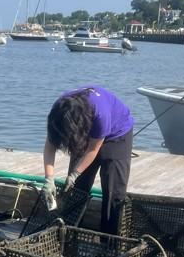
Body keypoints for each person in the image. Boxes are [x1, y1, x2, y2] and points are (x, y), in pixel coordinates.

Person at [43, 84, 134, 234]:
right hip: (84, 132)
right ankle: (70, 235)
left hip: (117, 134)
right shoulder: (58, 112)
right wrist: (49, 179)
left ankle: (109, 240)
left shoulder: (100, 113)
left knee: (113, 191)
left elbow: (93, 149)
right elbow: (50, 146)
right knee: (76, 189)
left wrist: (74, 174)